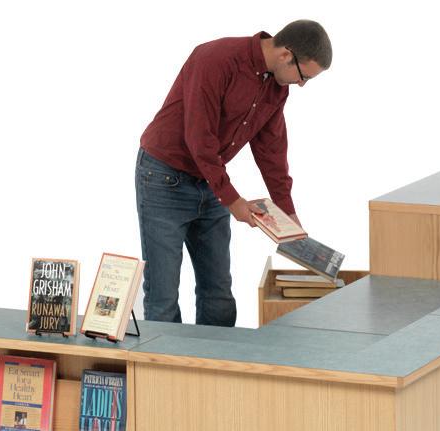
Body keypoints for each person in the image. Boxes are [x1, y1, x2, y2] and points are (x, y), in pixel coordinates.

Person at [137, 20, 331, 325]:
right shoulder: (215, 59)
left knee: (218, 294)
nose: (302, 85)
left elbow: (271, 151)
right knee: (163, 296)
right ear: (285, 55)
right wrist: (232, 200)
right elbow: (199, 137)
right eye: (304, 76)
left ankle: (216, 358)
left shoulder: (276, 87)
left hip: (211, 180)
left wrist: (288, 213)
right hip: (164, 179)